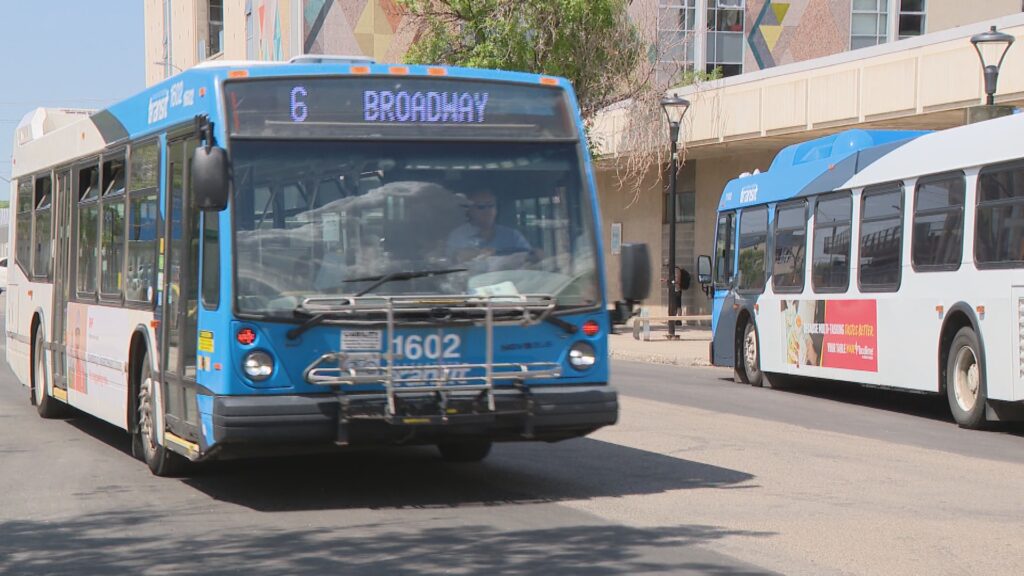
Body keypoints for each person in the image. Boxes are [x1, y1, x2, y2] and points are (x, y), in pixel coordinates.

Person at [446, 189, 531, 265]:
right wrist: (476, 253)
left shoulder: (513, 236)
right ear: (469, 210)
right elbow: (451, 264)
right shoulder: (458, 236)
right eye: (481, 206)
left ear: (496, 209)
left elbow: (530, 257)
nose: (487, 211)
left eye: (491, 205)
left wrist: (536, 255)